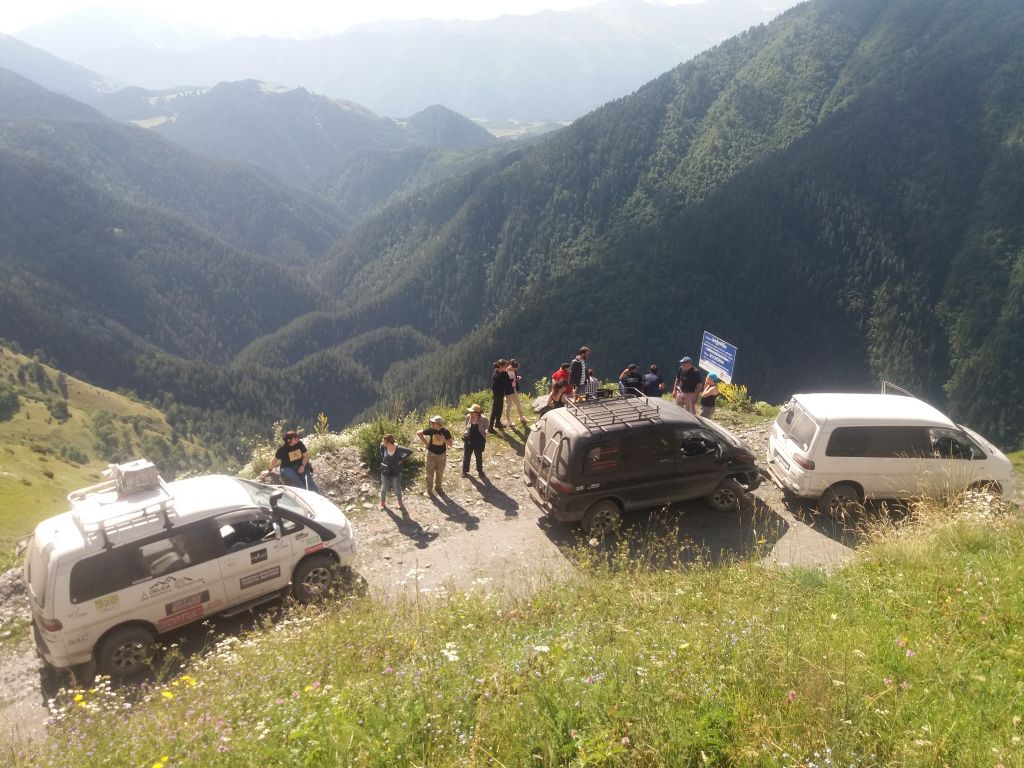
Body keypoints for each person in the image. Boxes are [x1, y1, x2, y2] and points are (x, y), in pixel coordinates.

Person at [269, 429, 321, 494]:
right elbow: (275, 459)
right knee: (295, 479)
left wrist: (303, 466)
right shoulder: (282, 449)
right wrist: (270, 469)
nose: (297, 439)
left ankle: (317, 495)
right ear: (289, 440)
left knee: (308, 481)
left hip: (300, 465)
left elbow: (305, 456)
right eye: (295, 438)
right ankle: (303, 494)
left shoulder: (299, 444)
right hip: (287, 467)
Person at [417, 415, 453, 494]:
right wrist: (426, 444)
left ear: (438, 424)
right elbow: (419, 433)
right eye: (432, 423)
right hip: (431, 454)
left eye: (433, 423)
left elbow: (450, 444)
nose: (432, 424)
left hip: (442, 455)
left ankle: (438, 488)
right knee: (429, 473)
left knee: (440, 473)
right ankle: (428, 490)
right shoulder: (431, 430)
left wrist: (442, 439)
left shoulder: (445, 432)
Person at [379, 434, 413, 517]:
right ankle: (382, 502)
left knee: (397, 487)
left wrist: (401, 459)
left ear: (388, 441)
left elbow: (410, 451)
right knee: (384, 487)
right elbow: (382, 453)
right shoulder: (383, 446)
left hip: (396, 471)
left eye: (384, 440)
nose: (383, 442)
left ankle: (399, 502)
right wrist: (384, 459)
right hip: (385, 470)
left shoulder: (398, 448)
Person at [462, 404, 490, 478]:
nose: (470, 413)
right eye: (470, 412)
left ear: (477, 413)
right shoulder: (468, 417)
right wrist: (465, 434)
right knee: (467, 455)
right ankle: (464, 471)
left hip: (479, 440)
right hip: (469, 439)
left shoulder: (484, 419)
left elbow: (488, 427)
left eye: (472, 412)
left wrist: (485, 431)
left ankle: (480, 471)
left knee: (478, 456)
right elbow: (466, 427)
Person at [505, 359, 528, 426]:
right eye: (515, 368)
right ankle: (508, 420)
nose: (515, 370)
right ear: (511, 366)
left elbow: (513, 378)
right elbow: (505, 381)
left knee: (518, 403)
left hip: (514, 389)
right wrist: (514, 379)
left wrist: (517, 378)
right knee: (509, 405)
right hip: (508, 390)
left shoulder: (514, 371)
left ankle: (521, 417)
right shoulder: (505, 372)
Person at [489, 359, 509, 432]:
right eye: (505, 366)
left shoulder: (501, 372)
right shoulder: (496, 375)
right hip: (497, 394)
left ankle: (497, 423)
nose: (506, 367)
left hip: (500, 394)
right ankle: (490, 427)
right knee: (494, 410)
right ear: (501, 366)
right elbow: (495, 386)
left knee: (500, 408)